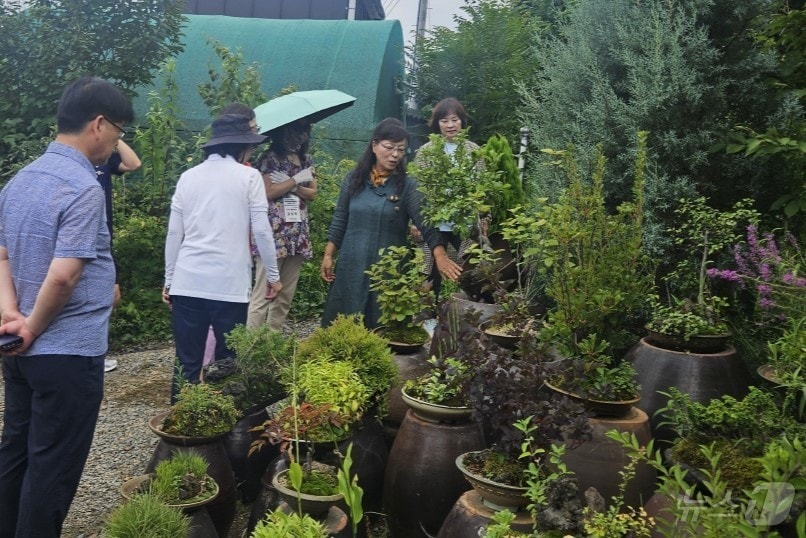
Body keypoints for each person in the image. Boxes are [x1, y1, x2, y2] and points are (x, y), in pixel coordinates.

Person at [0, 75, 133, 537]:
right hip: (66, 353)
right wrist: (33, 326)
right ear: (98, 124)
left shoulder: (20, 181)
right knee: (52, 470)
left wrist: (11, 317)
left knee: (16, 453)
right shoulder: (82, 186)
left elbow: (2, 255)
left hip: (18, 352)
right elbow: (64, 273)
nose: (115, 143)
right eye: (118, 132)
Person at [163, 113, 281, 400]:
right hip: (229, 285)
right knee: (226, 363)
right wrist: (273, 276)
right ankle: (223, 430)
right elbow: (262, 231)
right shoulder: (248, 176)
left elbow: (174, 234)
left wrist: (169, 279)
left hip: (188, 281)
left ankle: (180, 431)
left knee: (186, 363)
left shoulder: (187, 177)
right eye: (250, 147)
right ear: (242, 147)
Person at [320, 118, 462, 328]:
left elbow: (427, 224)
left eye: (401, 149)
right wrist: (329, 255)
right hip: (352, 265)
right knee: (343, 323)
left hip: (388, 270)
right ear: (375, 146)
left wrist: (440, 256)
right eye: (389, 147)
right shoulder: (353, 180)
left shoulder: (407, 186)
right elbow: (340, 219)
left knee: (383, 325)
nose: (395, 154)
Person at [247, 119, 316, 331]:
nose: (298, 135)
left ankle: (272, 344)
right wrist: (295, 181)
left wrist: (290, 185)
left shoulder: (307, 159)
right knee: (263, 293)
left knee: (285, 295)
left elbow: (312, 193)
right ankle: (250, 348)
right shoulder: (270, 158)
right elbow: (268, 192)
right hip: (274, 233)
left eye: (304, 129)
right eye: (294, 129)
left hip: (297, 235)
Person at [412, 97, 480, 300]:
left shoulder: (474, 151)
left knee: (474, 270)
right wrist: (415, 222)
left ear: (462, 122)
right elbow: (417, 191)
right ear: (437, 124)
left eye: (454, 119)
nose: (450, 125)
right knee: (429, 275)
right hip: (434, 222)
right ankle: (429, 321)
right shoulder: (426, 152)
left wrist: (483, 219)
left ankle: (470, 317)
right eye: (444, 121)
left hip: (464, 222)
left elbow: (481, 189)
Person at [95, 139, 141, 372]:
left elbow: (133, 164)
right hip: (81, 234)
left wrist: (115, 138)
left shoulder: (103, 159)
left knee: (111, 296)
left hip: (105, 235)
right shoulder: (76, 161)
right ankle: (92, 355)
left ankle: (98, 352)